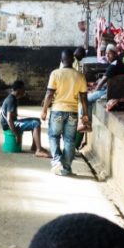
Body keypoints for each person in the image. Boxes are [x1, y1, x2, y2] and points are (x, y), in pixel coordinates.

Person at [41, 49, 88, 177]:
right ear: (73, 60)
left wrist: (44, 110)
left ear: (61, 61)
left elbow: (49, 94)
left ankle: (56, 161)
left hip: (57, 111)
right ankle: (66, 168)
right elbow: (84, 98)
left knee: (54, 136)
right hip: (72, 113)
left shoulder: (55, 74)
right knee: (70, 140)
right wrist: (85, 115)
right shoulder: (80, 76)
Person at [1, 80, 47, 157]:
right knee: (35, 124)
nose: (24, 91)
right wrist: (16, 135)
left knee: (36, 120)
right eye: (23, 89)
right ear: (18, 90)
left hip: (12, 122)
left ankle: (34, 146)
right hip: (8, 124)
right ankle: (38, 150)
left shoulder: (13, 98)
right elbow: (9, 119)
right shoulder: (11, 100)